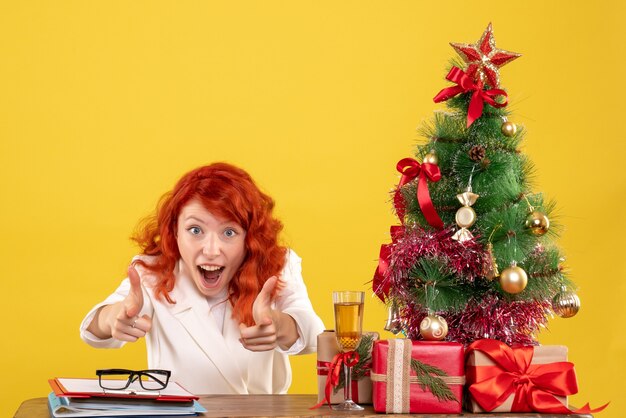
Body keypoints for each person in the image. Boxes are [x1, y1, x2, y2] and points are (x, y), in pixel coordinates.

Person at [80, 163, 325, 395]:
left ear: (249, 238)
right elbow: (93, 328)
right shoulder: (153, 271)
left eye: (229, 232)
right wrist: (114, 318)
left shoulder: (277, 265)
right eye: (195, 230)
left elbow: (314, 334)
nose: (210, 250)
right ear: (174, 231)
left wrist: (279, 325)